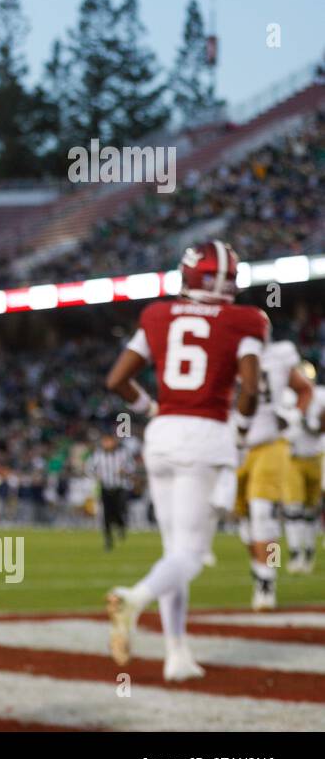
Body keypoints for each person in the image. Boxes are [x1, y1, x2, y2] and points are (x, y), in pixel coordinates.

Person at [104, 241, 264, 681]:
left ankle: (176, 653)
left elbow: (117, 379)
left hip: (161, 436)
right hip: (206, 436)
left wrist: (151, 409)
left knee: (174, 552)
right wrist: (242, 435)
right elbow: (250, 388)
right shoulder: (247, 319)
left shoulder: (157, 314)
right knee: (191, 555)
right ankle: (133, 599)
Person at [233, 336, 311, 607]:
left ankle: (268, 580)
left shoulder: (280, 354)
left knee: (262, 511)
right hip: (233, 446)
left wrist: (294, 418)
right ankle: (260, 571)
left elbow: (305, 389)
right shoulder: (224, 351)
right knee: (242, 518)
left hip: (270, 442)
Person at [286, 362, 325, 573]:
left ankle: (308, 552)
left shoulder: (320, 395)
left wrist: (315, 425)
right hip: (292, 458)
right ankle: (293, 553)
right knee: (292, 509)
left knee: (310, 510)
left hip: (314, 456)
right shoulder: (285, 396)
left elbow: (320, 427)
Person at [86, 433, 134, 550]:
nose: (107, 444)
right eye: (105, 441)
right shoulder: (98, 455)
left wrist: (125, 471)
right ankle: (108, 540)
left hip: (120, 487)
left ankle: (121, 526)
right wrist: (95, 475)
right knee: (106, 515)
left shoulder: (123, 453)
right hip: (105, 487)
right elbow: (89, 468)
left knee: (119, 510)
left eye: (110, 441)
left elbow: (132, 467)